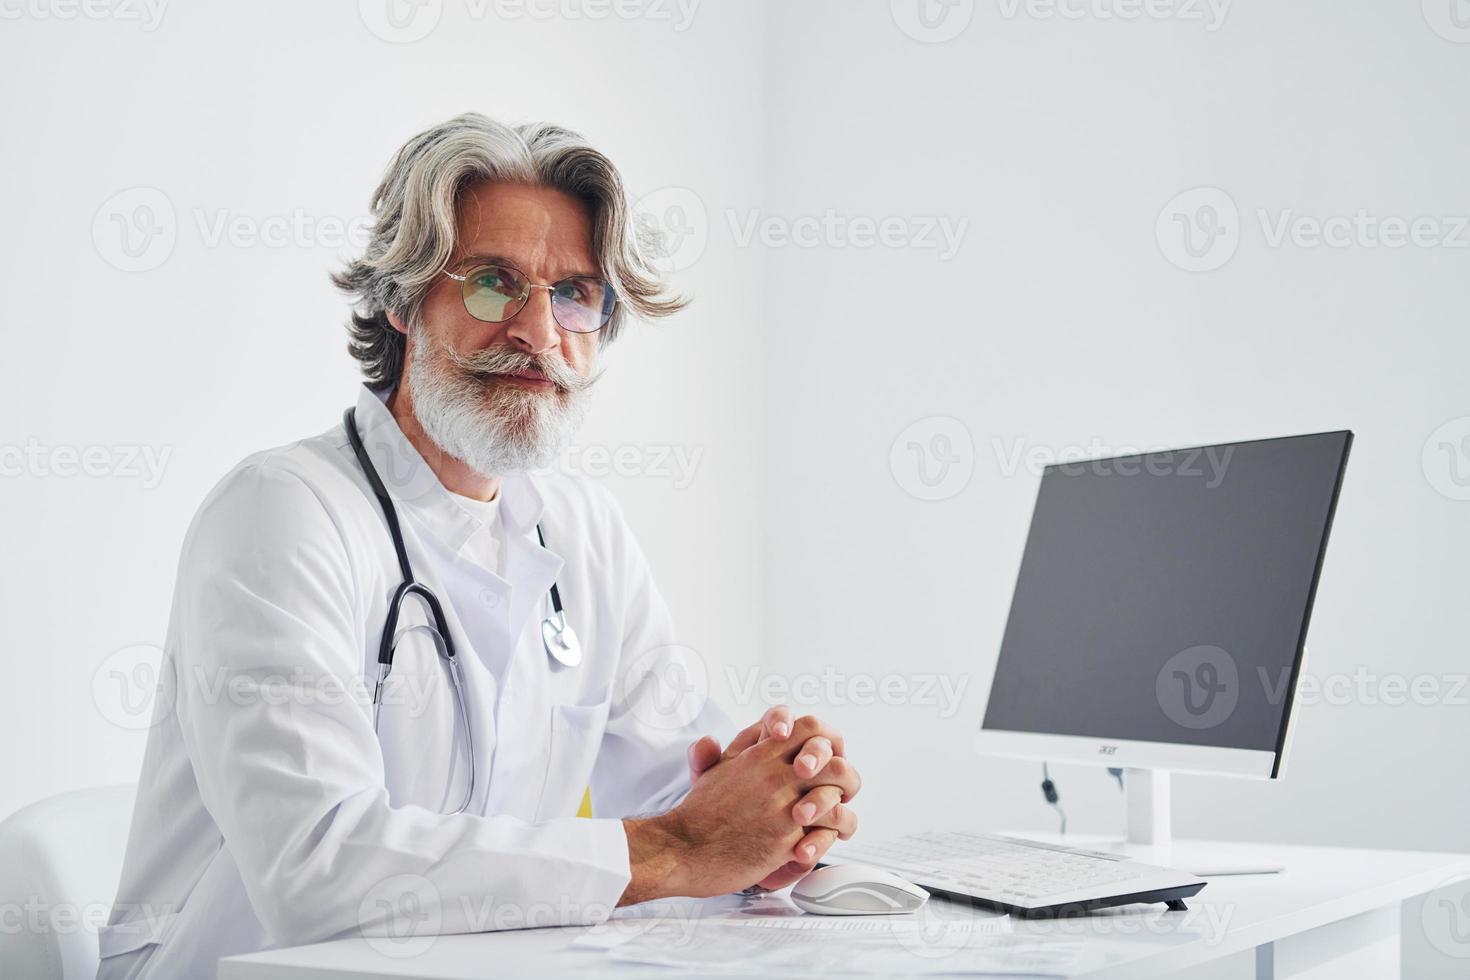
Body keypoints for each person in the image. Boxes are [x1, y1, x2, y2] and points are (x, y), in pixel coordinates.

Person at [96, 113, 862, 980]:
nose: (540, 332)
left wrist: (777, 808)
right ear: (399, 301)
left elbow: (673, 787)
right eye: (496, 282)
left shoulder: (583, 528)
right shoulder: (282, 512)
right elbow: (315, 867)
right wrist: (681, 847)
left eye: (574, 292)